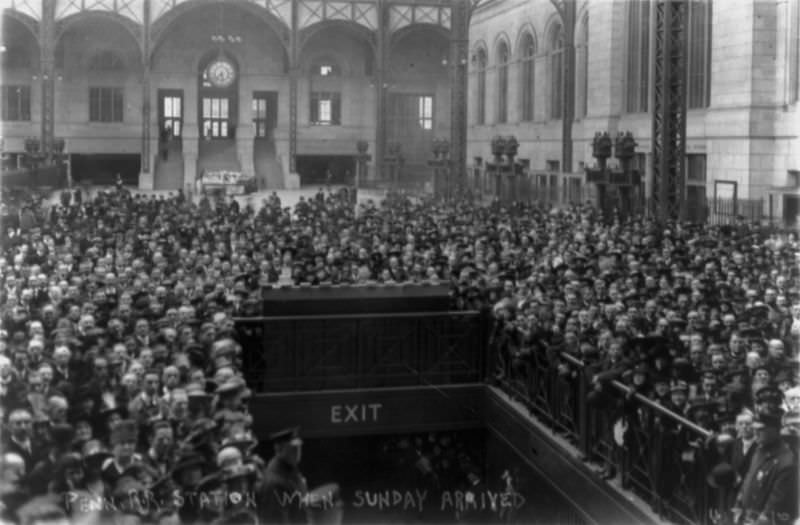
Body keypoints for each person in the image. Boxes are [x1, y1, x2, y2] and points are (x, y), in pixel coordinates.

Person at [734, 410, 798, 525]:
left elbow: (775, 504)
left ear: (773, 431)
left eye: (760, 430)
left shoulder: (786, 461)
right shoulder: (759, 451)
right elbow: (748, 479)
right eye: (755, 429)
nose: (755, 433)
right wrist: (738, 506)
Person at [258, 427, 309, 525]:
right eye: (293, 448)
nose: (297, 452)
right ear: (279, 449)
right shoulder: (274, 482)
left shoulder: (290, 469)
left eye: (299, 447)